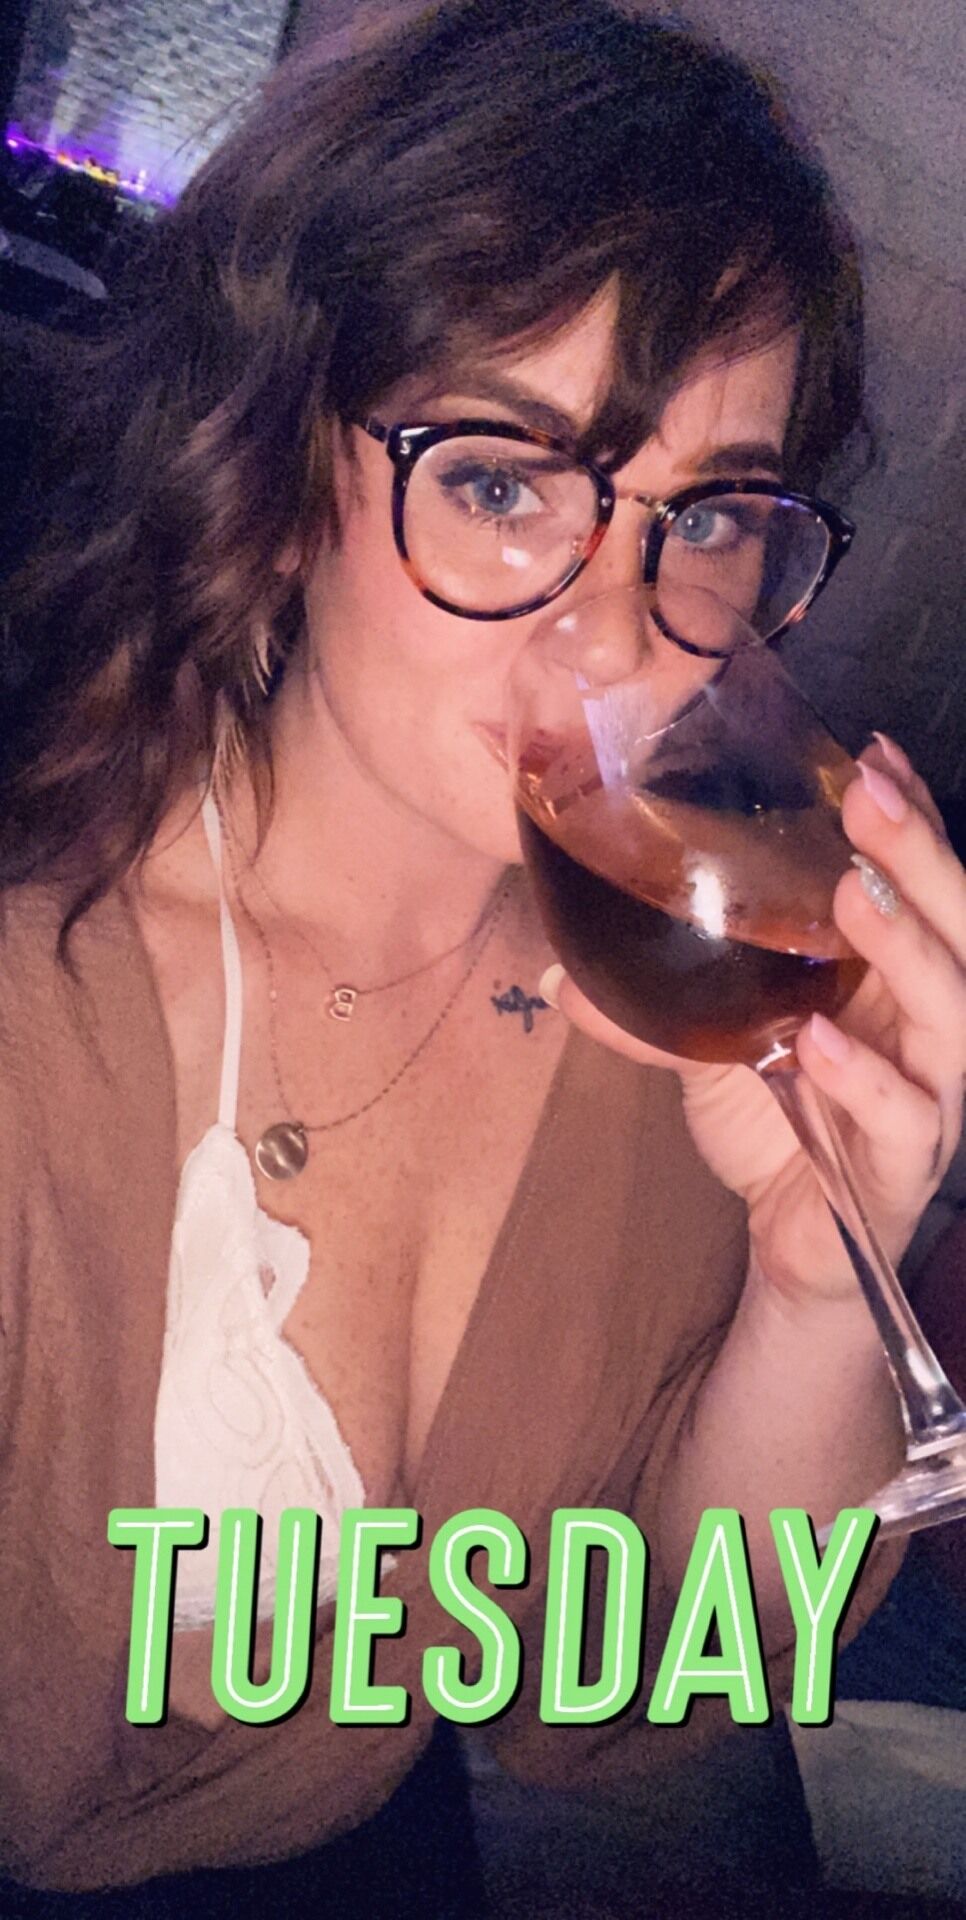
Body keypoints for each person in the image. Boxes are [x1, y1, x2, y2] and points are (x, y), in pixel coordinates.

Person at [1, 0, 964, 1910]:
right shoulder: (43, 992)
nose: (622, 635)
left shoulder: (674, 1011)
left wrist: (809, 1283)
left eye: (705, 516)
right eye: (504, 480)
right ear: (277, 459)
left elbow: (651, 1690)